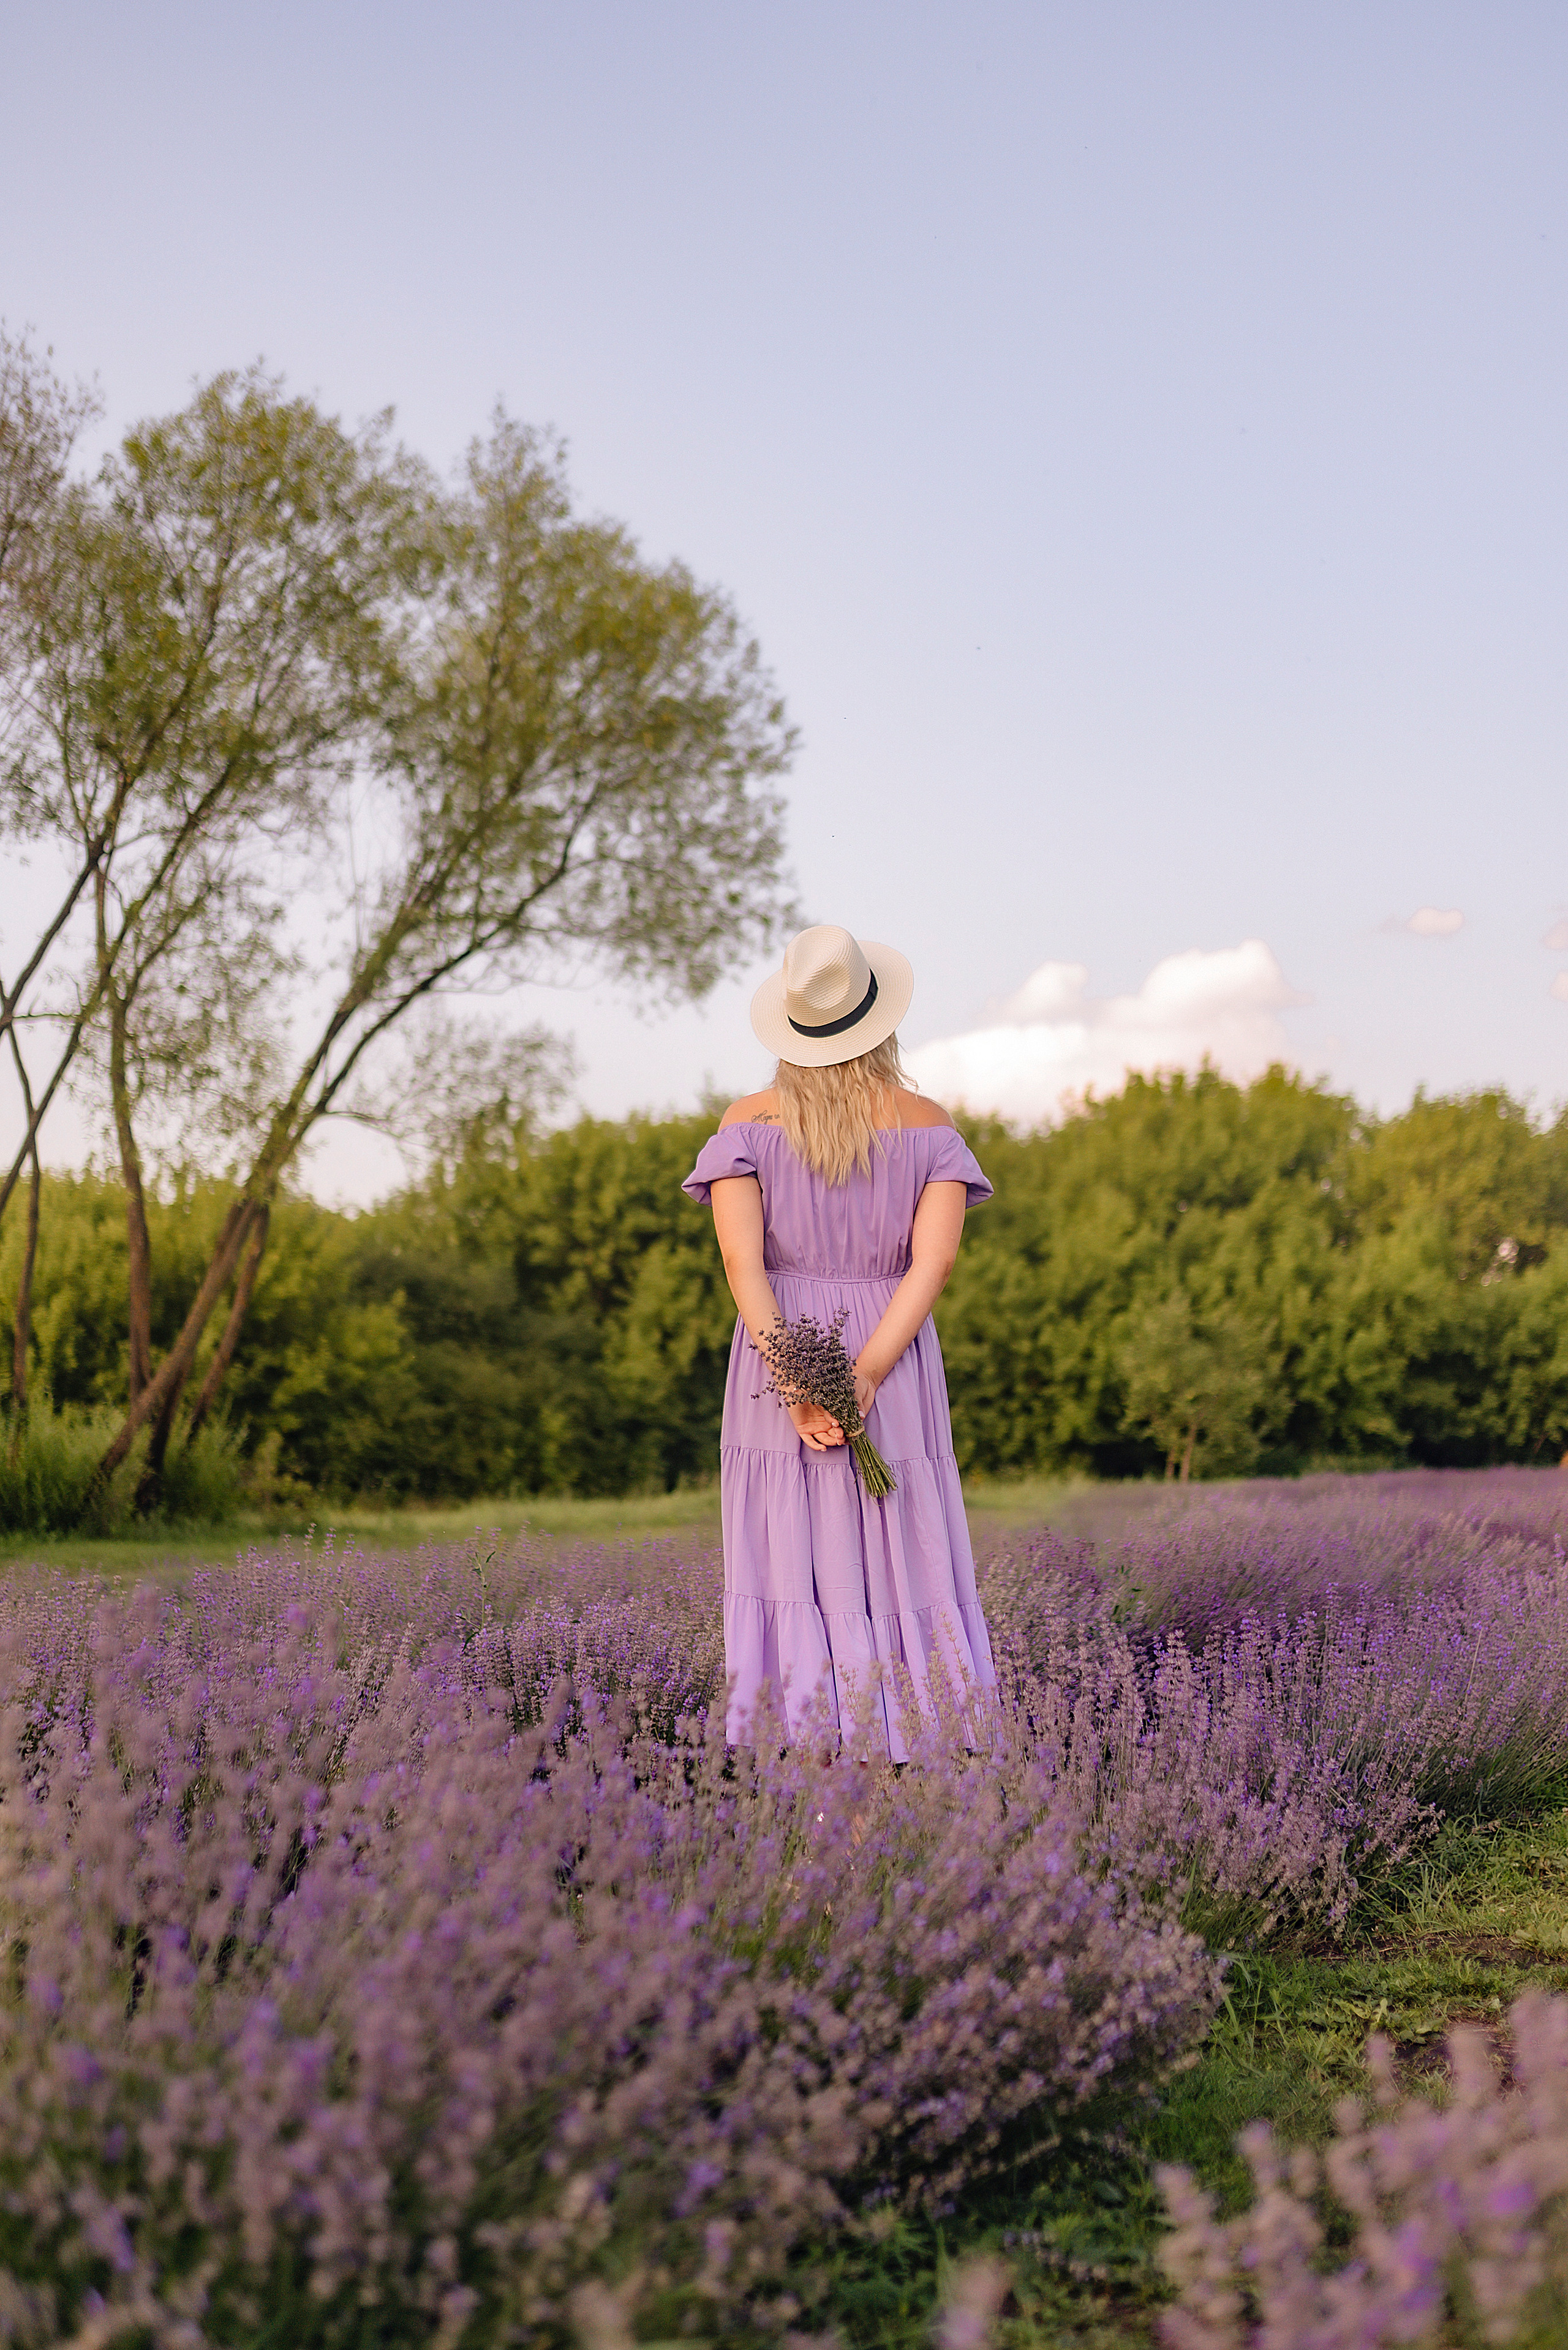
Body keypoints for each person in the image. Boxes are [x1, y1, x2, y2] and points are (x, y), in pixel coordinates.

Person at [682, 922, 996, 1758]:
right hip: (889, 1362)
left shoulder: (745, 1123)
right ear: (879, 1019)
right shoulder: (930, 1126)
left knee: (791, 1556)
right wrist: (863, 1373)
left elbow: (742, 1264)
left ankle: (816, 1763)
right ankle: (923, 1744)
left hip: (777, 1353)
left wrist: (794, 1383)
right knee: (903, 1545)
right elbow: (933, 1264)